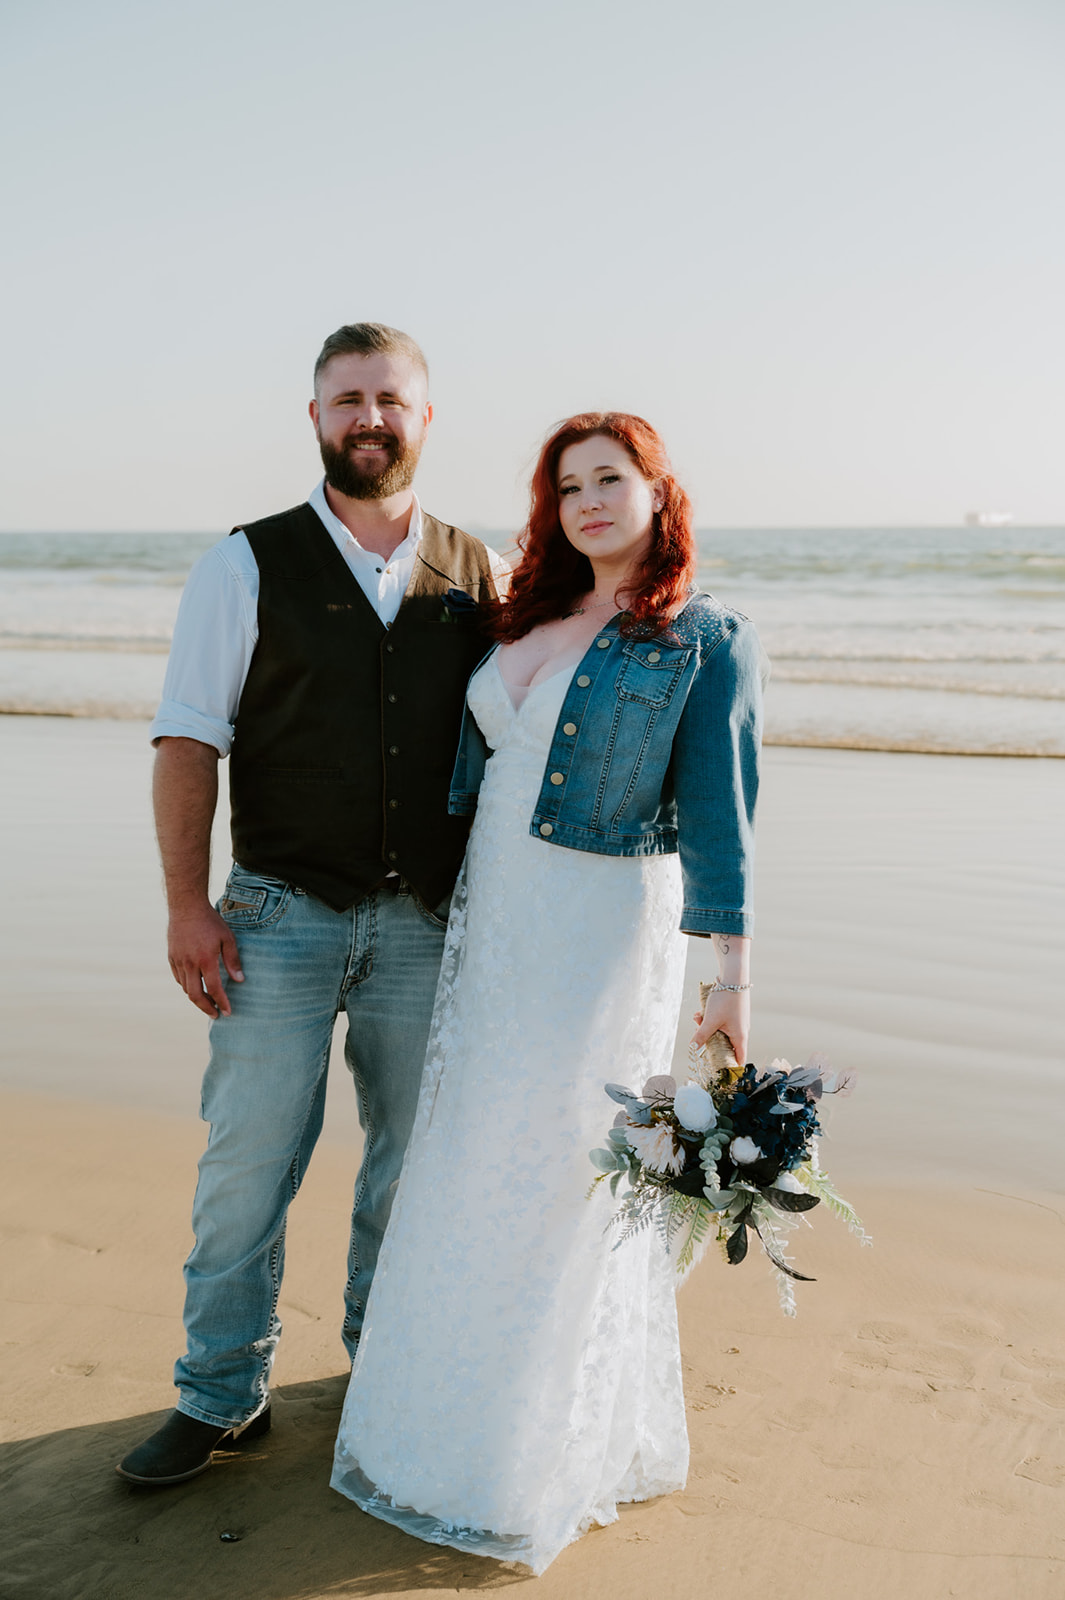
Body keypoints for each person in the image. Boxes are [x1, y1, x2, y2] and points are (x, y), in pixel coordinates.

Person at [331, 412, 764, 1573]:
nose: (588, 500)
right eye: (567, 484)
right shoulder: (524, 614)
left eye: (610, 479)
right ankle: (441, 1421)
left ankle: (529, 1450)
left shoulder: (697, 635)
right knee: (476, 1149)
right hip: (496, 917)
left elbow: (723, 816)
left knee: (566, 1165)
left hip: (602, 926)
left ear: (658, 491)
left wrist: (730, 976)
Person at [116, 323, 509, 1486]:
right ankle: (220, 1394)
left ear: (425, 419)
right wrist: (188, 906)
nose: (369, 417)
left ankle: (381, 1377)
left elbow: (519, 739)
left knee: (408, 1168)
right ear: (316, 418)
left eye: (391, 398)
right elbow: (189, 739)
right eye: (347, 399)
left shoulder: (475, 569)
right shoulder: (244, 562)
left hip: (426, 924)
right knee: (247, 1165)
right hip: (276, 916)